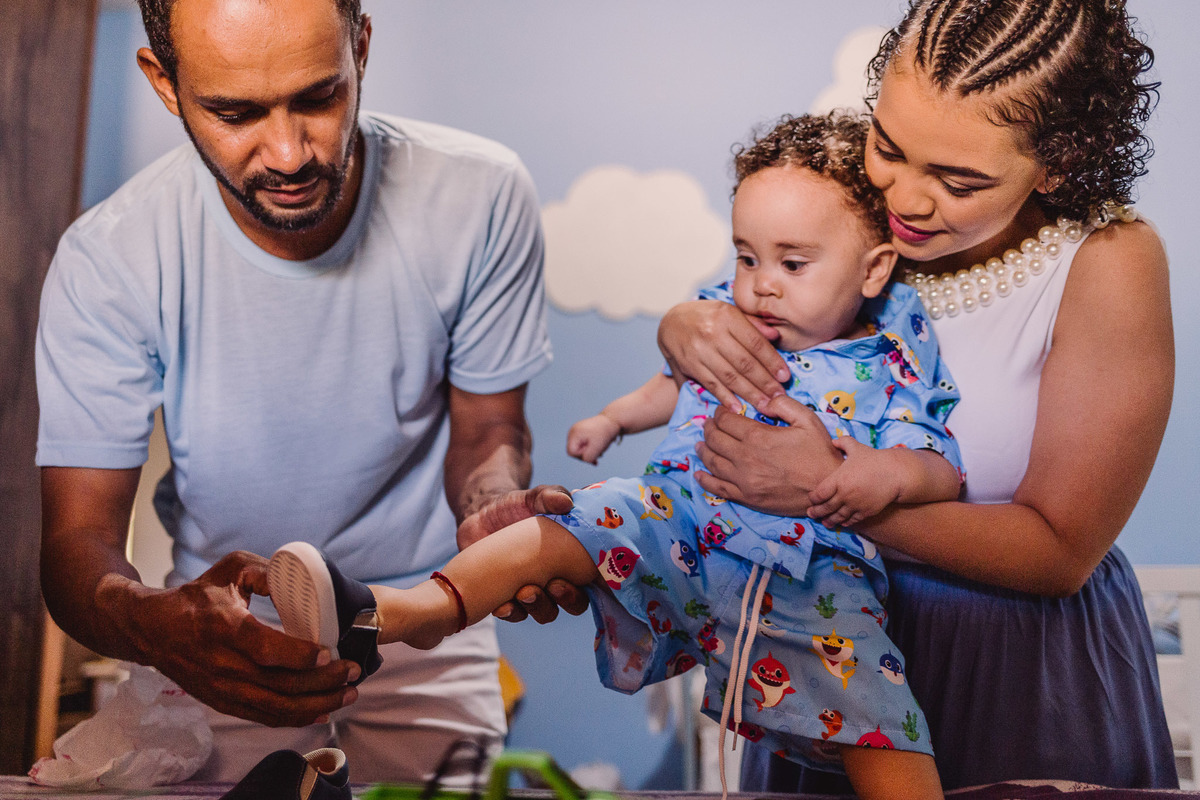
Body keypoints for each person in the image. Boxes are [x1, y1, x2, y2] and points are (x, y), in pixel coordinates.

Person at [271, 112, 965, 800]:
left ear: (873, 270)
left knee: (878, 718)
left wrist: (882, 474)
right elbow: (672, 386)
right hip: (683, 521)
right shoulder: (732, 322)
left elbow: (937, 462)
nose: (762, 283)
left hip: (807, 569)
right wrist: (612, 418)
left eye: (792, 263)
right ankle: (407, 610)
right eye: (746, 257)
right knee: (572, 521)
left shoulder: (889, 361)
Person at [34, 0, 580, 784]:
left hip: (427, 631)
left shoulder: (481, 195)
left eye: (319, 97)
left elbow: (489, 427)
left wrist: (493, 508)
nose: (288, 154)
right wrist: (160, 627)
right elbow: (74, 545)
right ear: (163, 81)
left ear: (360, 47)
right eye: (234, 112)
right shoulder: (108, 260)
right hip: (220, 646)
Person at [657, 0, 1176, 790]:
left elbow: (1061, 552)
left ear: (1059, 163)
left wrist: (823, 495)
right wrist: (686, 324)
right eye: (889, 147)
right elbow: (768, 309)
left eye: (959, 179)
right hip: (825, 641)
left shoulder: (1107, 259)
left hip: (1019, 670)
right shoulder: (862, 220)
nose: (905, 198)